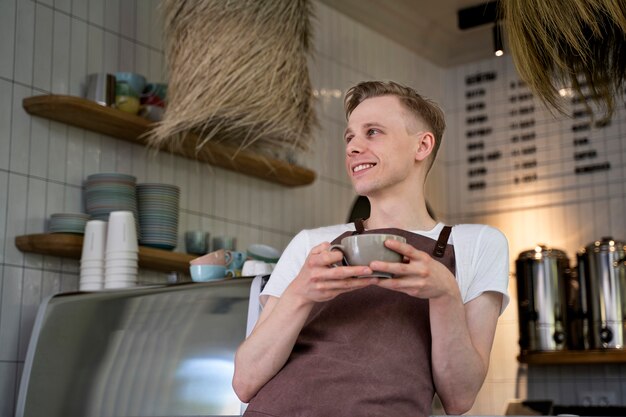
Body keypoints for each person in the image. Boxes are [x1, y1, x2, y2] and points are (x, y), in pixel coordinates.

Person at [232, 81, 509, 416]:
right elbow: (245, 382)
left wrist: (445, 294)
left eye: (372, 132)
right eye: (349, 137)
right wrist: (300, 293)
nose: (352, 147)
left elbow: (460, 398)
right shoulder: (311, 242)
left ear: (422, 146)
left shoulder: (476, 243)